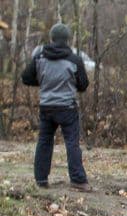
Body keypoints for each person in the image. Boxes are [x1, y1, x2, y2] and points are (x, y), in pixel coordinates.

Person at [21, 23, 91, 192]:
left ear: (51, 38)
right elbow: (83, 85)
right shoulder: (74, 59)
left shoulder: (39, 57)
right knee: (72, 143)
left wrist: (44, 82)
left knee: (44, 141)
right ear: (67, 39)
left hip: (46, 106)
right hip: (67, 108)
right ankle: (78, 180)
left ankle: (41, 179)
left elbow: (26, 78)